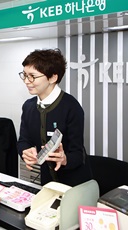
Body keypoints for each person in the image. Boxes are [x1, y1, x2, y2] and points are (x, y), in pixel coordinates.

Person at [17, 48, 92, 187]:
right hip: (48, 183)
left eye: (32, 76)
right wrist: (25, 152)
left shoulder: (71, 107)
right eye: (25, 75)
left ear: (53, 78)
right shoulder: (28, 106)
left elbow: (77, 154)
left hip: (75, 184)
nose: (27, 81)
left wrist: (64, 159)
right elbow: (23, 141)